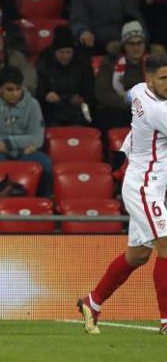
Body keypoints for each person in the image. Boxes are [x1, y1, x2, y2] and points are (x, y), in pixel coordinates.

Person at [77, 54, 167, 336]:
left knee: (139, 254)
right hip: (145, 188)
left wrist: (125, 150)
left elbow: (129, 102)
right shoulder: (159, 112)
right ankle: (166, 321)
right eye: (165, 78)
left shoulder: (139, 90)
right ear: (151, 78)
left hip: (141, 183)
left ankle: (92, 302)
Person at [0, 66, 52, 198]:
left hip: (21, 152)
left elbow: (37, 139)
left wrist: (8, 143)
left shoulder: (33, 105)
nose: (15, 94)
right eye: (10, 90)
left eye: (18, 89)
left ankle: (42, 202)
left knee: (45, 163)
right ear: (0, 88)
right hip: (1, 152)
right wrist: (21, 145)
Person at [94, 20, 148, 134]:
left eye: (139, 43)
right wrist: (126, 100)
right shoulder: (110, 63)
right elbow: (102, 92)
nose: (136, 47)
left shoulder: (152, 64)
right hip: (117, 109)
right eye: (131, 43)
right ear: (124, 45)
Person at [36, 25, 95, 127]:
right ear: (55, 52)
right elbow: (40, 91)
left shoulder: (83, 64)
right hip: (52, 112)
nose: (65, 56)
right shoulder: (45, 63)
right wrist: (47, 96)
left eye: (68, 52)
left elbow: (89, 92)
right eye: (61, 52)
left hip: (78, 112)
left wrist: (82, 100)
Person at [70, 0, 145, 54]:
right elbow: (78, 20)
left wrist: (144, 41)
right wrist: (83, 31)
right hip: (96, 42)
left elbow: (134, 17)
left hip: (124, 41)